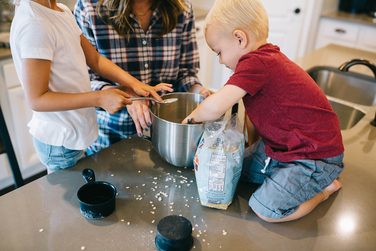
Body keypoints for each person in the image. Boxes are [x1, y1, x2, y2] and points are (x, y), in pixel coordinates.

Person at [182, 0, 345, 223]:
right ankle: (286, 179)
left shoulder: (256, 63)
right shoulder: (263, 62)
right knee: (234, 166)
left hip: (313, 156)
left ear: (240, 38)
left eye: (219, 52)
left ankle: (324, 189)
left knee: (265, 209)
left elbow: (216, 106)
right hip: (283, 148)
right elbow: (253, 114)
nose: (220, 60)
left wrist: (191, 119)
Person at [9, 0, 170, 172]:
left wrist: (135, 84)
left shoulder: (60, 10)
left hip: (73, 133)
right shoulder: (35, 24)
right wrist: (99, 98)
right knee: (67, 197)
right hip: (60, 142)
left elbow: (95, 59)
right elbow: (37, 99)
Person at [74, 0, 212, 155]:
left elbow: (186, 72)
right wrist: (125, 92)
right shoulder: (88, 9)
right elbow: (84, 83)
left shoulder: (182, 9)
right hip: (110, 138)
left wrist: (200, 92)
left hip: (166, 137)